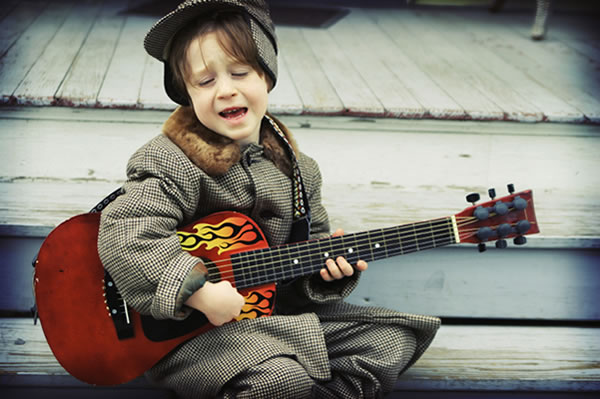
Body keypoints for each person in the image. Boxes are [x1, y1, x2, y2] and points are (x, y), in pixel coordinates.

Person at [98, 1, 440, 397]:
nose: (226, 90)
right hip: (187, 336)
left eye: (240, 72)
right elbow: (125, 233)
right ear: (187, 95)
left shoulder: (300, 171)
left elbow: (297, 264)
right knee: (279, 378)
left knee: (390, 341)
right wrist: (198, 290)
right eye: (204, 82)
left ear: (267, 78)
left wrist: (325, 274)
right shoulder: (172, 159)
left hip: (274, 319)